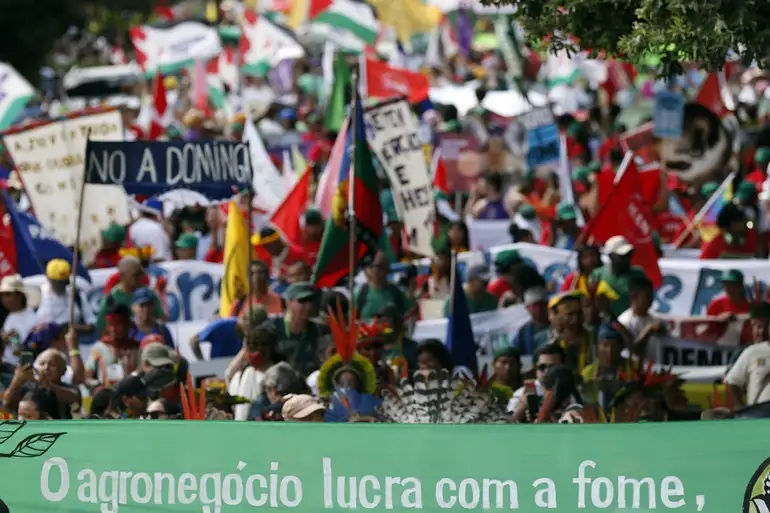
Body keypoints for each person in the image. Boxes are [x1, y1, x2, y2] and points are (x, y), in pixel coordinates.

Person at [227, 321, 283, 421]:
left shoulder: (280, 372)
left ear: (267, 349)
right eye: (249, 347)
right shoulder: (243, 375)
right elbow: (228, 375)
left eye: (255, 347)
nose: (251, 352)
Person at [3, 348, 82, 419]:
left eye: (52, 364)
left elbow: (74, 399)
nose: (46, 368)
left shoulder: (69, 388)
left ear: (63, 370)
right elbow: (7, 405)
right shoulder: (26, 387)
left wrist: (48, 385)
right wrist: (16, 381)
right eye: (42, 364)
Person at [96, 256, 165, 334]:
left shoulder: (150, 294)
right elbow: (103, 329)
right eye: (136, 275)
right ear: (122, 276)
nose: (140, 278)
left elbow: (161, 319)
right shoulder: (111, 299)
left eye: (141, 274)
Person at [269, 282, 322, 376]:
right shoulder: (272, 327)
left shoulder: (318, 330)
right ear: (289, 303)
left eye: (311, 301)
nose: (308, 306)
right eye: (302, 301)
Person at [724, 302, 770, 408]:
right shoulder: (747, 352)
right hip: (759, 415)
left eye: (762, 326)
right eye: (755, 326)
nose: (759, 332)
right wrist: (741, 411)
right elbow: (732, 381)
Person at [590, 236, 649, 317]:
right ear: (611, 256)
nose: (627, 258)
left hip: (632, 322)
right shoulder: (597, 275)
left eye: (629, 254)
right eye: (622, 255)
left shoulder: (638, 274)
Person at [34, 259, 95, 334]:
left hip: (74, 343)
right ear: (48, 278)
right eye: (57, 282)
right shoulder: (38, 295)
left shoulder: (76, 295)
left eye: (63, 282)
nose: (61, 285)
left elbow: (91, 325)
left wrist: (72, 328)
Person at [87, 302, 140, 386]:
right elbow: (87, 377)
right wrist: (99, 385)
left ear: (128, 325)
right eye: (110, 325)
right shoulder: (99, 348)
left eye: (118, 325)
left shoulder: (137, 349)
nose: (113, 329)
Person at [509, 344, 566, 421]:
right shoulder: (521, 394)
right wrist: (522, 407)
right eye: (542, 367)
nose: (547, 371)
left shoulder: (571, 392)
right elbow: (506, 425)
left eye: (553, 368)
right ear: (535, 368)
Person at [581, 322, 629, 410]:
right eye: (605, 345)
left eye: (614, 346)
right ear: (597, 348)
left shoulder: (631, 368)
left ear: (620, 348)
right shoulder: (588, 372)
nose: (609, 350)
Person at [617, 276, 666, 361]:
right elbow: (634, 349)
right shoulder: (623, 321)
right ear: (634, 296)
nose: (651, 299)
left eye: (652, 295)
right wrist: (648, 330)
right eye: (647, 295)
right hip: (632, 370)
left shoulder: (655, 318)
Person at [355, 251, 408, 320]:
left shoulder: (396, 291)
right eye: (379, 267)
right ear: (368, 269)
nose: (383, 271)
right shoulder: (359, 294)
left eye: (386, 266)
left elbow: (407, 315)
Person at [549, 293, 593, 374]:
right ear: (558, 316)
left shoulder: (593, 337)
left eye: (578, 313)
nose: (575, 318)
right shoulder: (554, 344)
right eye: (570, 314)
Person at [0, 274, 36, 367]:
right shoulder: (10, 315)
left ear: (19, 295)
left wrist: (16, 346)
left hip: (18, 369)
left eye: (7, 294)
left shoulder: (32, 318)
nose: (3, 299)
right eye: (2, 295)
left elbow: (31, 354)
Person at [511, 287, 551, 356]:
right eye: (535, 306)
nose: (539, 309)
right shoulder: (524, 331)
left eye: (542, 305)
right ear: (527, 308)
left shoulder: (557, 325)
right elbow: (516, 350)